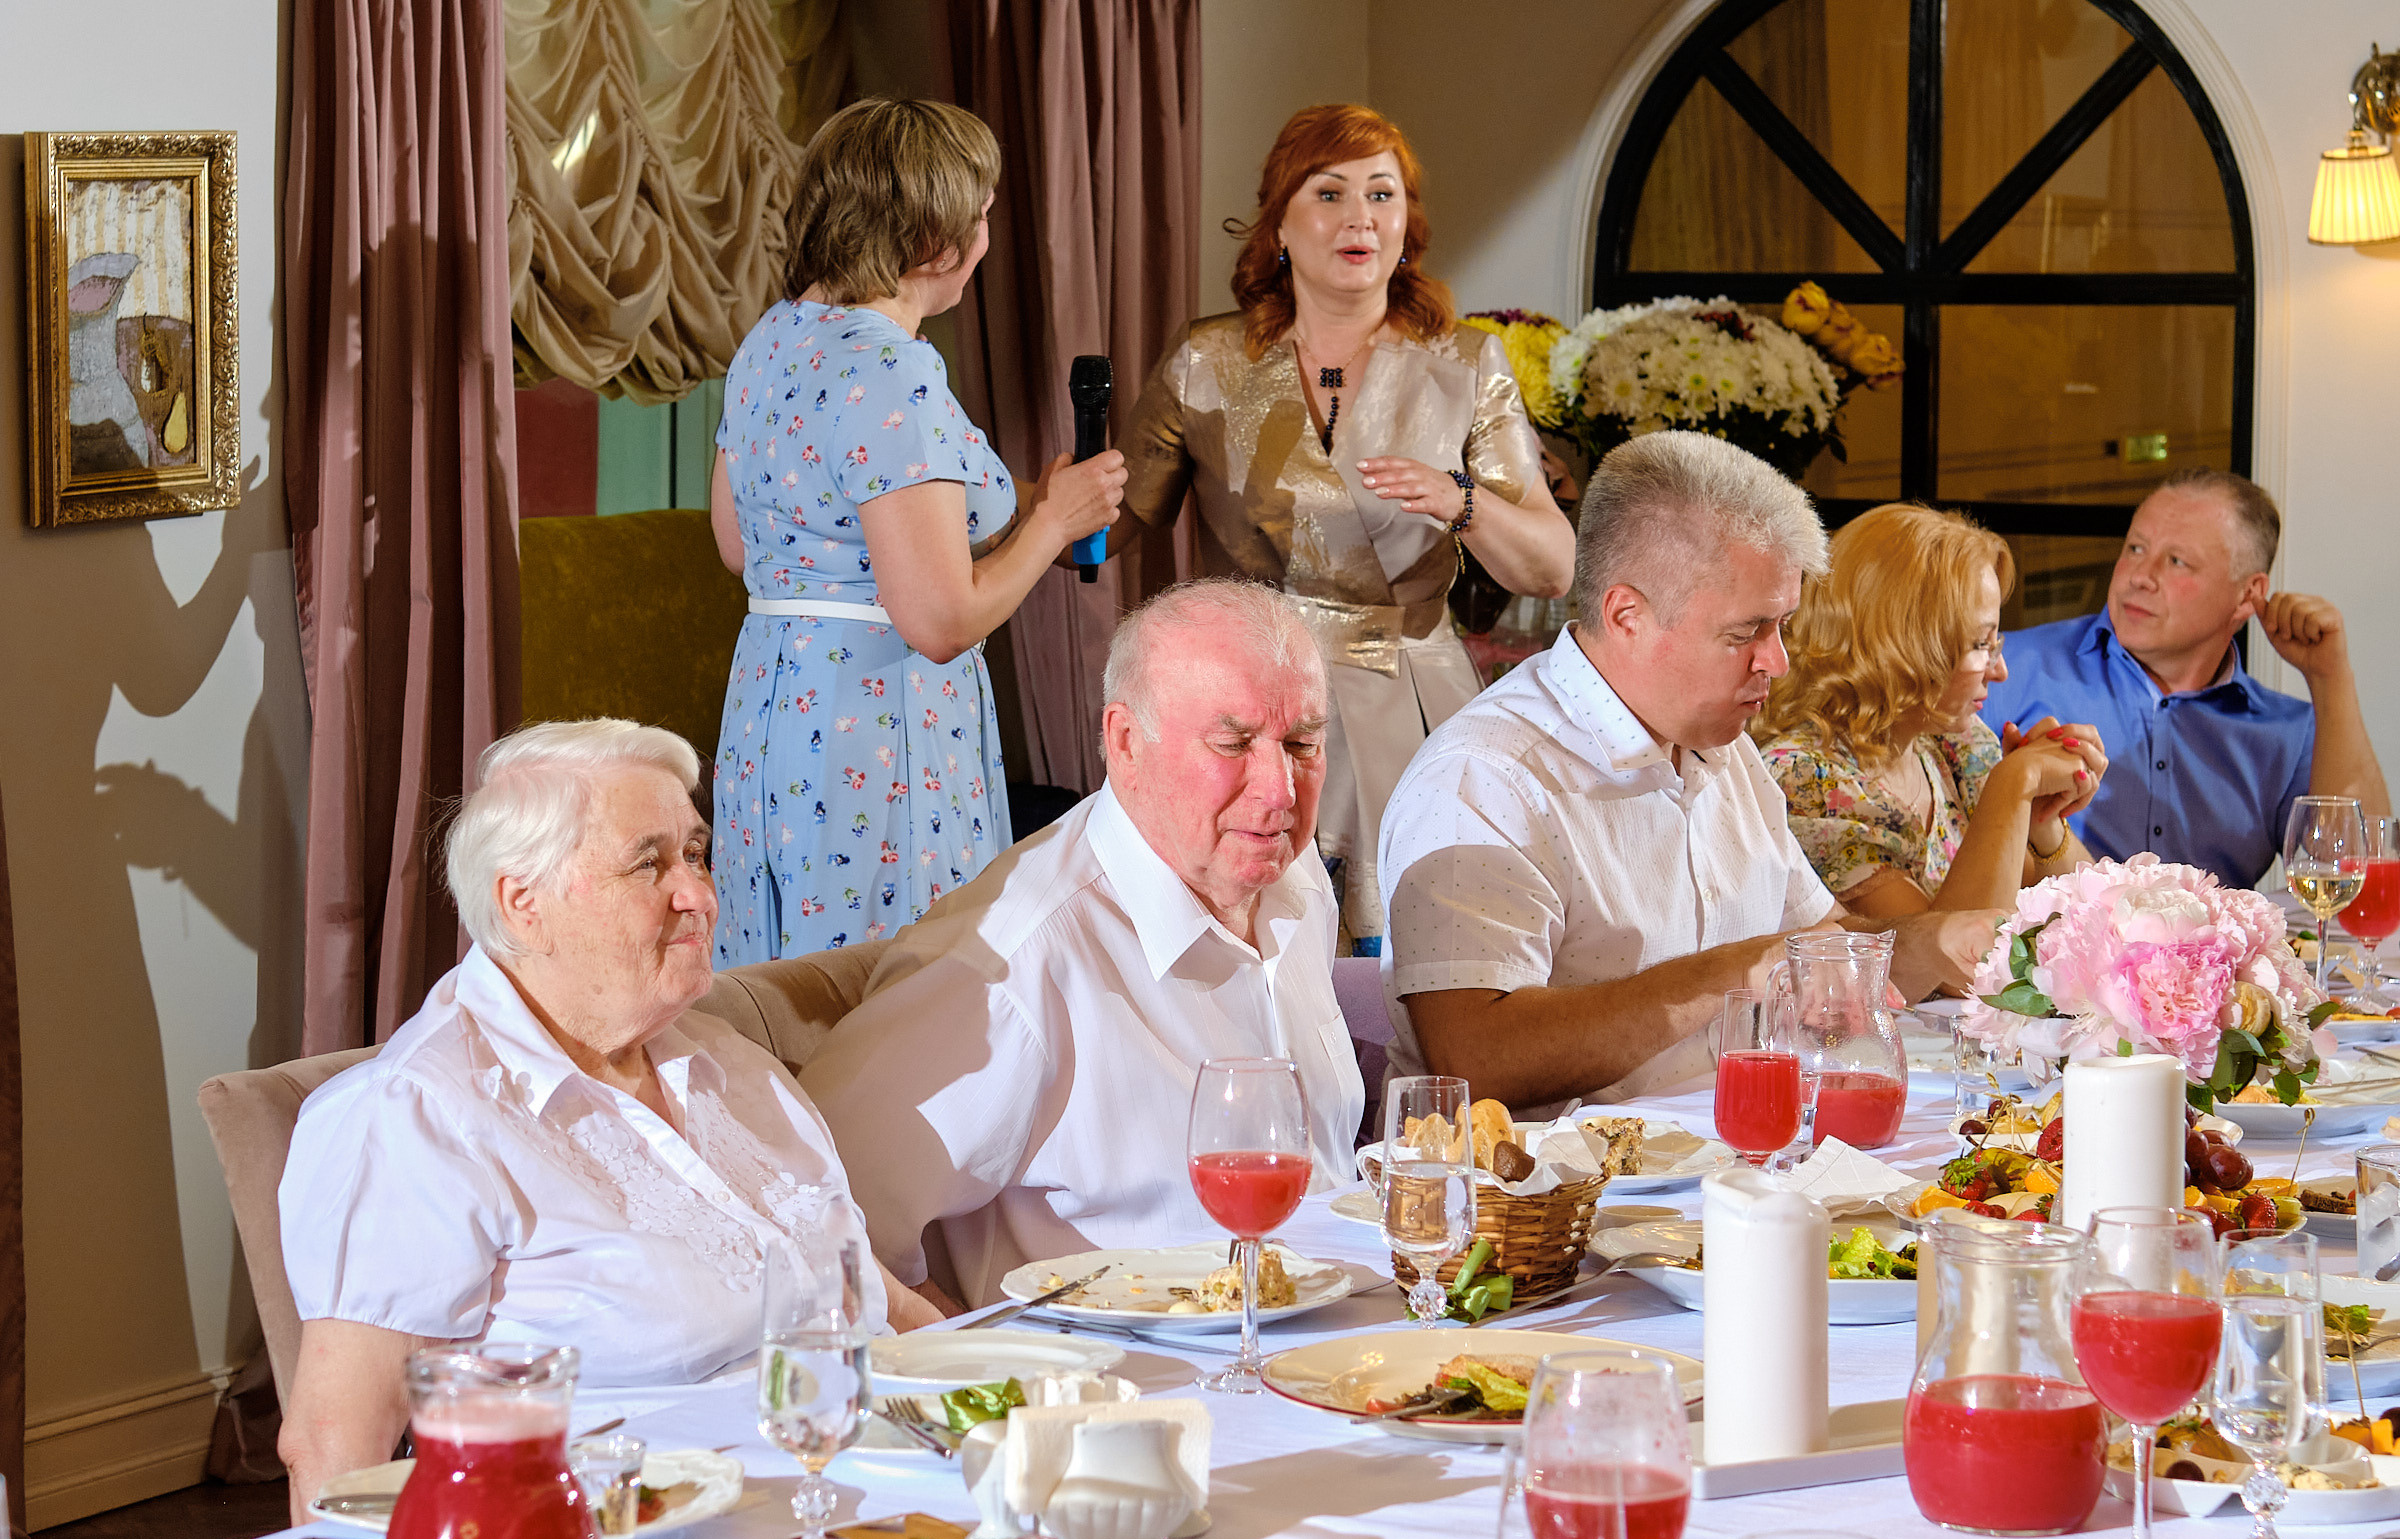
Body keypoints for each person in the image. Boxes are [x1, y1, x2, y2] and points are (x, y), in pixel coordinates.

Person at [278, 720, 943, 1520]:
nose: (697, 892)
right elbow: (331, 1451)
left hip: (874, 1492)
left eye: (695, 855)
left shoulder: (726, 1063)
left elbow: (870, 1292)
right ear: (523, 903)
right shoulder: (412, 1119)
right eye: (648, 863)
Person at [1377, 433, 2001, 1112]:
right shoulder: (1486, 776)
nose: (1778, 662)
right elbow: (1476, 1061)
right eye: (1745, 634)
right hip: (1549, 1204)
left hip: (1730, 1172)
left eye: (1782, 626)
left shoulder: (1724, 749)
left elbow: (1818, 947)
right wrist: (1728, 973)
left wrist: (1938, 940)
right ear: (1627, 615)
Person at [803, 581, 1363, 1308]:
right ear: (1126, 741)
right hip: (1140, 1393)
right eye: (1233, 743)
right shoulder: (1014, 964)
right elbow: (814, 1216)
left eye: (1301, 743)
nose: (1281, 789)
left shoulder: (1293, 878)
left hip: (1340, 1350)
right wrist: (976, 1372)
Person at [1103, 103, 1575, 954]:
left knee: (1408, 966)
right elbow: (1104, 533)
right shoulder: (1204, 363)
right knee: (1242, 957)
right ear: (1278, 224)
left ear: (1407, 228)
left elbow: (1550, 567)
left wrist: (1459, 498)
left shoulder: (1467, 365)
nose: (1360, 217)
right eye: (1330, 193)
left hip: (1410, 709)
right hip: (1245, 713)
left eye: (1382, 195)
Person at [709, 98, 1127, 961]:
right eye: (980, 216)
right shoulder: (890, 364)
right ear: (937, 242)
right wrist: (1053, 522)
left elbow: (746, 547)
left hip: (773, 713)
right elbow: (938, 623)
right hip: (877, 724)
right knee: (883, 995)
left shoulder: (773, 341)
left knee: (784, 984)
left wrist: (1013, 514)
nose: (984, 235)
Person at [1982, 468, 2390, 888]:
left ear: (2248, 595)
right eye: (2136, 547)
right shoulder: (2003, 670)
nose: (2140, 575)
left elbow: (2364, 879)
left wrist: (2330, 677)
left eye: (2177, 561)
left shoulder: (2288, 733)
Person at [1753, 504, 2110, 914]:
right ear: (1899, 646)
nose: (2001, 671)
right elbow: (1953, 969)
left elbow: (2098, 915)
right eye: (1980, 644)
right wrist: (2013, 785)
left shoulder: (1957, 742)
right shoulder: (1801, 778)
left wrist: (2042, 819)